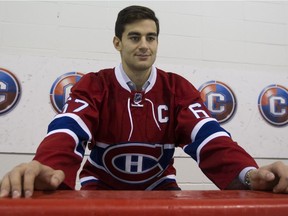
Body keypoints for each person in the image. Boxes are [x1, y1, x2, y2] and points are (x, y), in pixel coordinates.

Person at [1, 5, 288, 199]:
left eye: (151, 38)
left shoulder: (176, 88)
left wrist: (251, 174)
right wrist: (45, 167)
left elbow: (210, 139)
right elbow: (67, 131)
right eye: (135, 37)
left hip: (160, 187)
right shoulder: (94, 84)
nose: (144, 45)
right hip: (99, 188)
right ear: (118, 43)